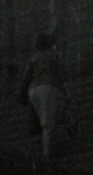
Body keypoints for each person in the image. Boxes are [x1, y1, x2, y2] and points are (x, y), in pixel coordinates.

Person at [19, 31, 68, 162]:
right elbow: (62, 75)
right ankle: (47, 155)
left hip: (34, 89)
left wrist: (22, 94)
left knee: (43, 120)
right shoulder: (53, 56)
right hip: (49, 87)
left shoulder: (34, 57)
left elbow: (26, 77)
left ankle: (42, 149)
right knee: (48, 124)